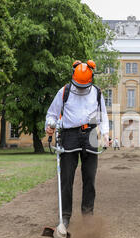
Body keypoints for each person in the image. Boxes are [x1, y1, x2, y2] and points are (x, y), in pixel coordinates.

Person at [45, 60, 109, 229]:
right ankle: (65, 217)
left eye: (83, 86)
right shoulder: (64, 91)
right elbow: (51, 113)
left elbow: (103, 117)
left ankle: (88, 217)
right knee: (66, 179)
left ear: (91, 80)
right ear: (73, 78)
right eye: (78, 86)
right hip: (69, 135)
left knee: (90, 178)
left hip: (91, 134)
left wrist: (106, 134)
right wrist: (50, 126)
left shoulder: (96, 92)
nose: (80, 89)